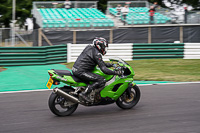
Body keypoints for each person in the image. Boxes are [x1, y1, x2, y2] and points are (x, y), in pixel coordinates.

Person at [72, 37, 122, 102]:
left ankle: (89, 92)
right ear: (100, 46)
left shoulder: (89, 48)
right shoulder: (97, 54)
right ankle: (84, 94)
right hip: (81, 71)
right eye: (104, 47)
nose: (105, 49)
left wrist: (112, 65)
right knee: (101, 80)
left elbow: (101, 63)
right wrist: (115, 72)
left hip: (76, 68)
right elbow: (104, 69)